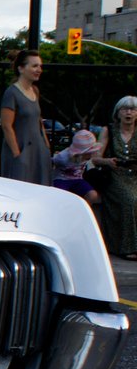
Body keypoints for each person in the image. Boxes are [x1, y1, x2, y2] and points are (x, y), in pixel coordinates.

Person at [92, 95, 137, 258]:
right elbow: (95, 157)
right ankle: (127, 248)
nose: (129, 113)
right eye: (125, 109)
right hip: (115, 176)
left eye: (133, 109)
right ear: (117, 113)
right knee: (129, 200)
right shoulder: (108, 130)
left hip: (134, 176)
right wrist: (108, 161)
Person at [0, 50, 51, 185]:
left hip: (38, 150)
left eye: (40, 66)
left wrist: (46, 146)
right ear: (21, 68)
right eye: (34, 66)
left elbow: (38, 120)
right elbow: (6, 126)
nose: (39, 69)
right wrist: (17, 153)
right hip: (21, 150)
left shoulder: (35, 90)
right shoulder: (11, 93)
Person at [51, 129, 102, 204]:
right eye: (88, 153)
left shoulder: (86, 157)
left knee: (93, 195)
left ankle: (83, 208)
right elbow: (51, 163)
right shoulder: (63, 157)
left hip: (77, 180)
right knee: (60, 196)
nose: (90, 155)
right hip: (61, 179)